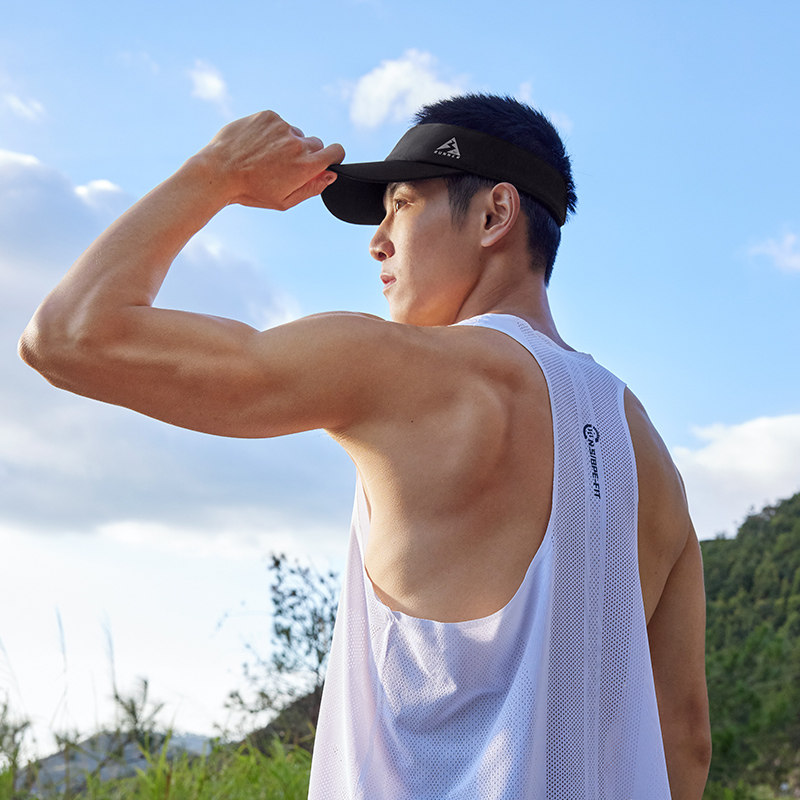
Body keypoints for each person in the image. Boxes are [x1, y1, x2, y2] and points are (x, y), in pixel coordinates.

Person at [19, 94, 711, 798]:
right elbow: (685, 743)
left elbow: (68, 336)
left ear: (494, 215)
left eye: (401, 205)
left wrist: (216, 171)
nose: (377, 241)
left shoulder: (395, 367)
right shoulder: (650, 458)